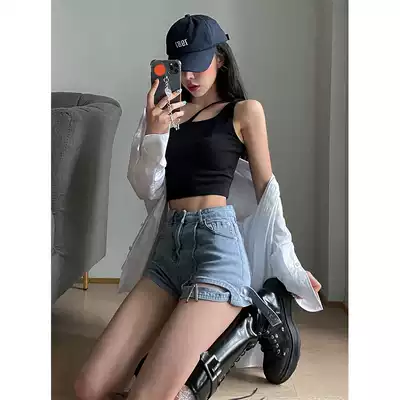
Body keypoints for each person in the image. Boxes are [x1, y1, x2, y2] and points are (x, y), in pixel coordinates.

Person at [74, 14, 322, 400]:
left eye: (199, 64)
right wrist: (155, 134)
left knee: (145, 396)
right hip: (168, 254)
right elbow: (145, 188)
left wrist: (290, 265)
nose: (190, 76)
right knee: (88, 388)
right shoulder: (163, 114)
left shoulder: (244, 112)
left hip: (217, 252)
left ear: (219, 58)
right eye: (182, 66)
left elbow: (267, 195)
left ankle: (248, 323)